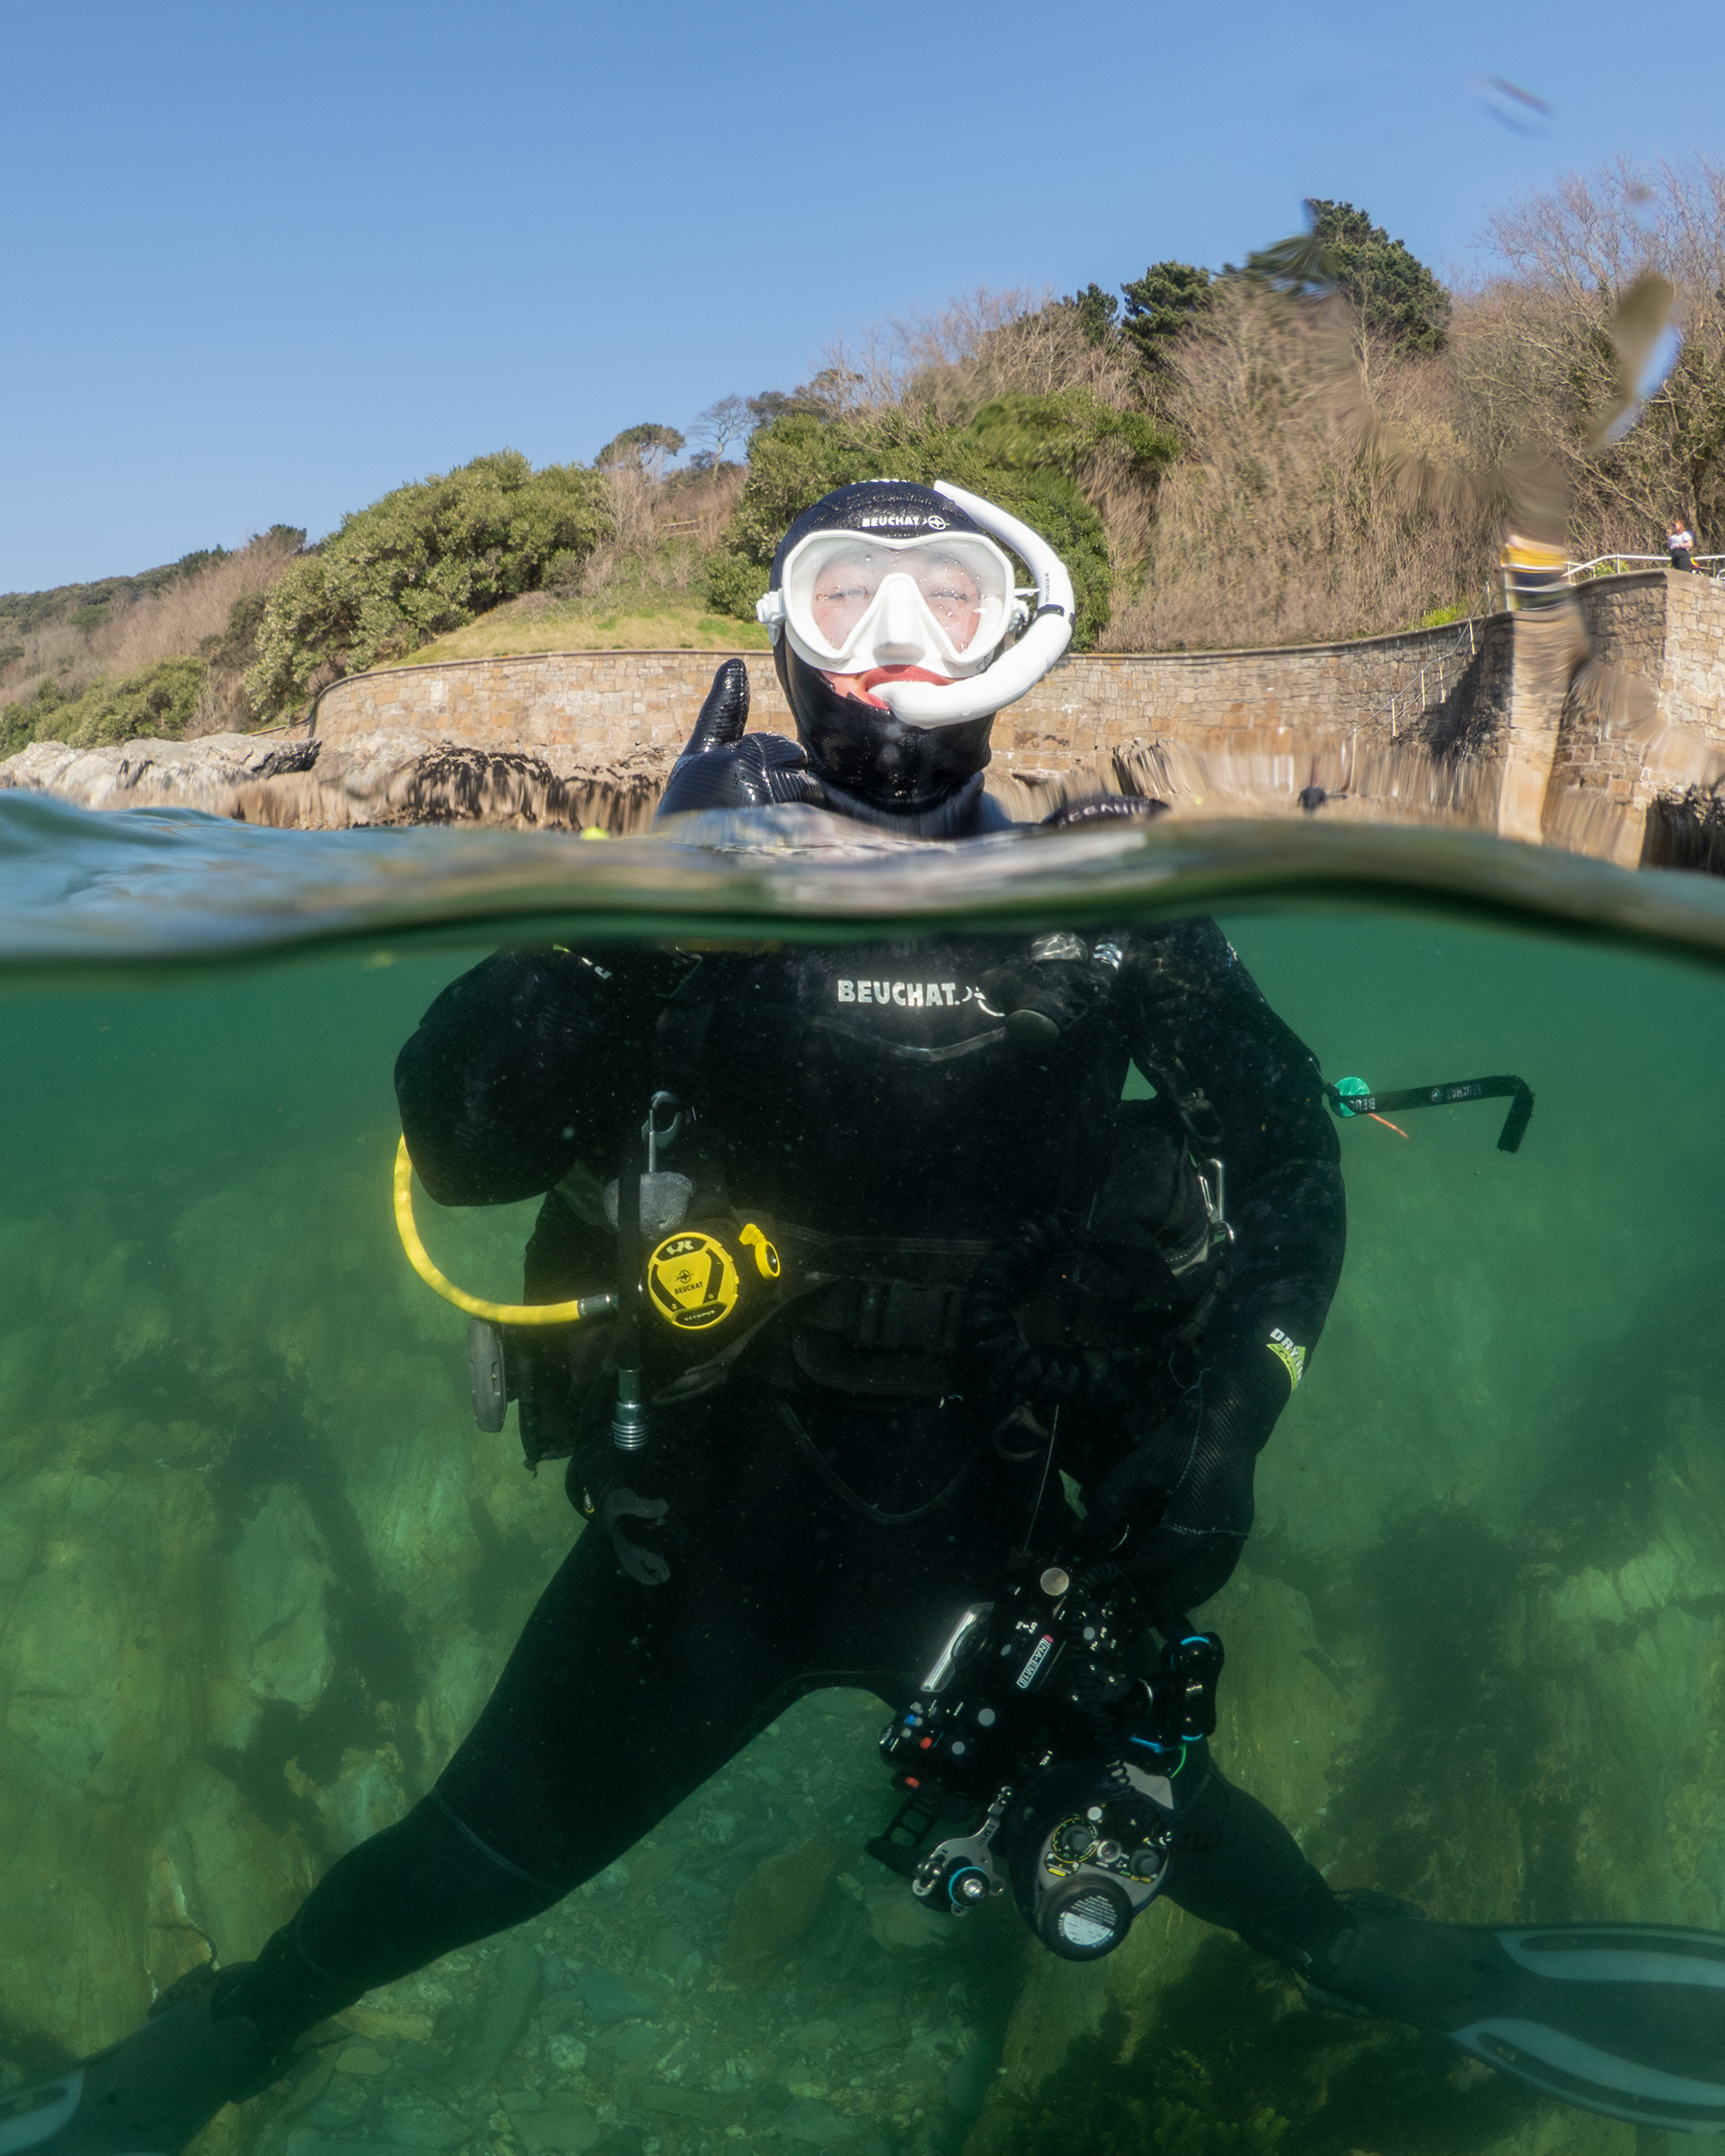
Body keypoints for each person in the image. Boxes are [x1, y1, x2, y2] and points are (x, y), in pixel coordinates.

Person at [19, 481, 1725, 2155]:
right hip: (684, 1558)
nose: (895, 648)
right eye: (847, 600)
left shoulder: (1108, 912)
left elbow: (1285, 1164)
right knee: (465, 1861)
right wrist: (638, 909)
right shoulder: (684, 906)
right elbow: (459, 1146)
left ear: (1017, 644)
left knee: (1190, 1846)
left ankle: (1368, 1953)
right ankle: (230, 2031)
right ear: (784, 638)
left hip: (1002, 1559)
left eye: (948, 607)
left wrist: (1229, 1420)